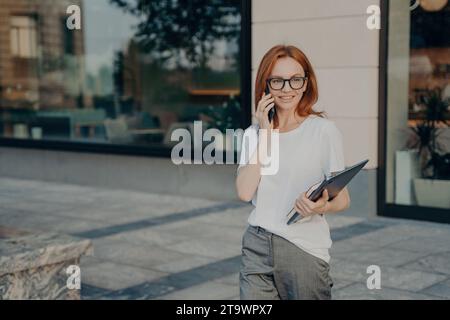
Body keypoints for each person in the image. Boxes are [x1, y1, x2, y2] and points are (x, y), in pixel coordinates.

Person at [236, 44, 351, 300]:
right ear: (266, 85)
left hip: (303, 247)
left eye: (295, 80)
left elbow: (343, 199)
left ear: (306, 83)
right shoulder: (252, 135)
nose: (287, 89)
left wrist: (318, 207)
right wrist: (266, 132)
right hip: (256, 245)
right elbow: (244, 192)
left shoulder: (323, 131)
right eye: (278, 81)